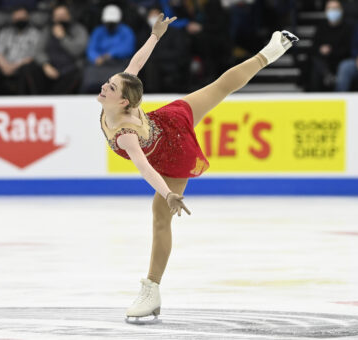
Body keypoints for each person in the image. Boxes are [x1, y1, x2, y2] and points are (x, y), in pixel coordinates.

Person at [98, 13, 298, 323]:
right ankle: (270, 52)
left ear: (124, 102)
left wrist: (167, 194)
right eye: (108, 84)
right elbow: (134, 66)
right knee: (219, 89)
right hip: (170, 118)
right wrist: (155, 36)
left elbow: (145, 168)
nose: (104, 86)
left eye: (110, 87)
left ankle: (151, 290)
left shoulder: (125, 135)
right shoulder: (121, 100)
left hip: (173, 153)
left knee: (160, 219)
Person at [0, 6, 41, 95]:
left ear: (28, 18)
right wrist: (5, 66)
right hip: (5, 66)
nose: (20, 20)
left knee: (27, 69)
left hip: (23, 65)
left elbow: (33, 56)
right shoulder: (4, 33)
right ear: (12, 19)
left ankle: (22, 101)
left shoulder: (35, 34)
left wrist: (14, 66)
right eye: (17, 18)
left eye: (22, 17)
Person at [80, 4, 135, 93]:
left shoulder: (126, 31)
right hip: (98, 64)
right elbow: (91, 48)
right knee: (88, 72)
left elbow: (128, 48)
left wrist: (110, 54)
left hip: (118, 63)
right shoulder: (98, 31)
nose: (110, 25)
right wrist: (95, 58)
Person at [34, 3, 88, 94]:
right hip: (49, 68)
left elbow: (78, 51)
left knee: (76, 74)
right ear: (53, 18)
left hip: (70, 69)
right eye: (58, 16)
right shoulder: (47, 30)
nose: (60, 19)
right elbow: (38, 51)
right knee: (30, 69)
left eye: (63, 15)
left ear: (69, 16)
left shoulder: (78, 29)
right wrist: (45, 65)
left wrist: (63, 38)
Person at [307, 0, 352, 91]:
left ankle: (328, 78)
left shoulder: (348, 28)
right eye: (330, 9)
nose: (333, 11)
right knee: (314, 62)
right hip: (323, 61)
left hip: (339, 60)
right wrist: (321, 49)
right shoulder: (321, 26)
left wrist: (331, 51)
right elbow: (313, 47)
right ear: (326, 11)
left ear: (341, 10)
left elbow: (348, 49)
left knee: (318, 65)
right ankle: (326, 77)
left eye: (335, 8)